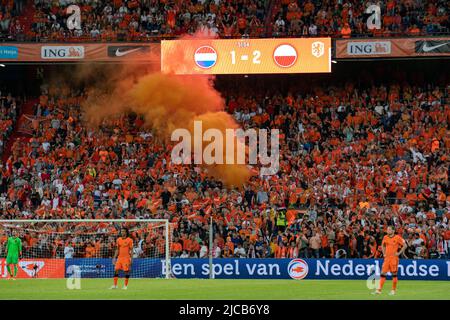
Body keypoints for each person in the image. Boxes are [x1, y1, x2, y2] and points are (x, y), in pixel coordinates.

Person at [373, 226, 407, 295]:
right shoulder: (385, 237)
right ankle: (379, 290)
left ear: (393, 231)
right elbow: (383, 245)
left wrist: (398, 253)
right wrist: (384, 253)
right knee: (382, 273)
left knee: (394, 274)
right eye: (387, 229)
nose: (388, 230)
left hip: (394, 258)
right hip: (387, 258)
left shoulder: (397, 237)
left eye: (389, 229)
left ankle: (393, 290)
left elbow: (405, 245)